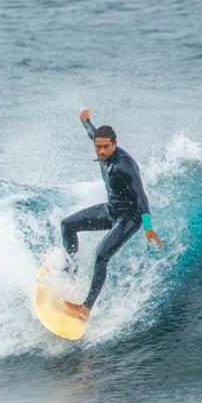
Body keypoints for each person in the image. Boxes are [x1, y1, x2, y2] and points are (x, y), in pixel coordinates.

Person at [59, 108, 163, 320]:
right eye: (98, 147)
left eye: (106, 147)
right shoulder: (98, 144)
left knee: (101, 255)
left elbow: (142, 197)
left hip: (129, 218)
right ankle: (71, 270)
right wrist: (85, 119)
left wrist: (148, 226)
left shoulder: (125, 166)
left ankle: (85, 309)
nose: (102, 151)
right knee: (67, 224)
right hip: (111, 210)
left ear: (115, 143)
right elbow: (91, 131)